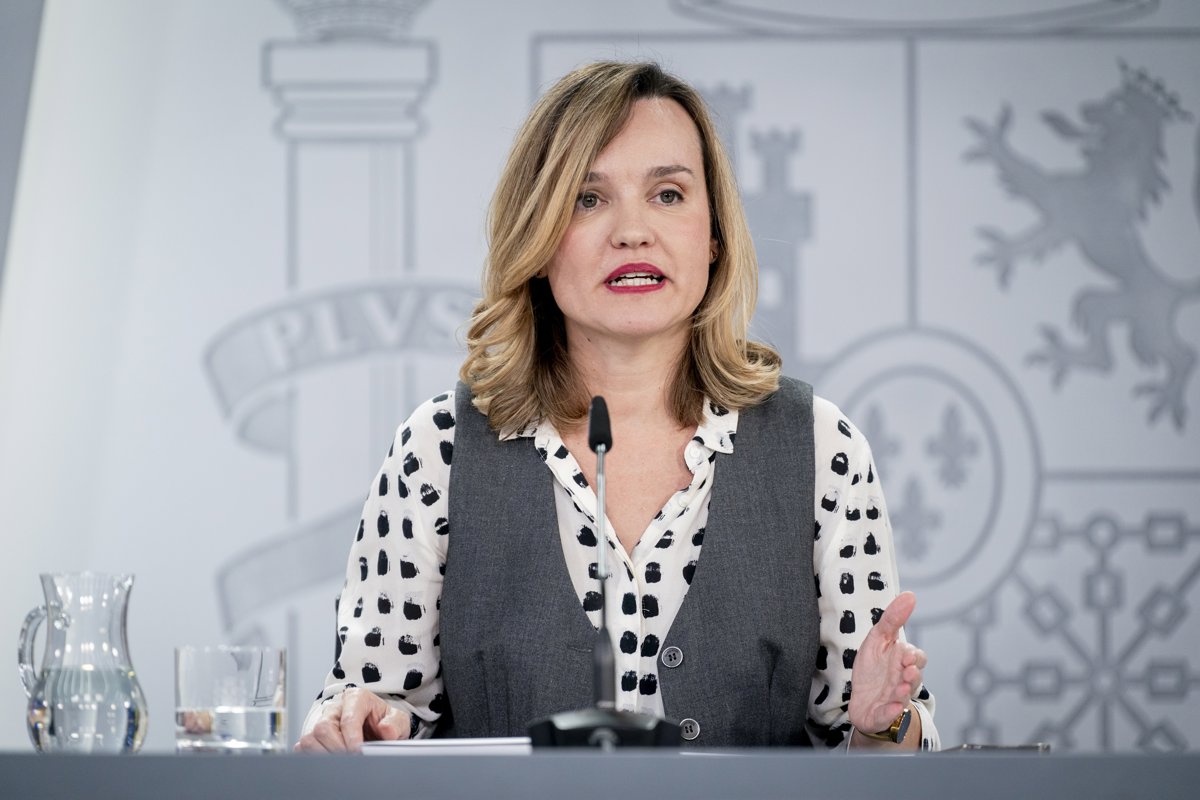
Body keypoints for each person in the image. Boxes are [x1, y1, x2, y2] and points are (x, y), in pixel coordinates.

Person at [296, 61, 938, 752]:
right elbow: (374, 705)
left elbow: (881, 750)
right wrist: (359, 722)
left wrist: (884, 723)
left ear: (714, 235)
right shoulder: (438, 449)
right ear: (538, 238)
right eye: (588, 198)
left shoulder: (819, 447)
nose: (633, 231)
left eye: (668, 194)